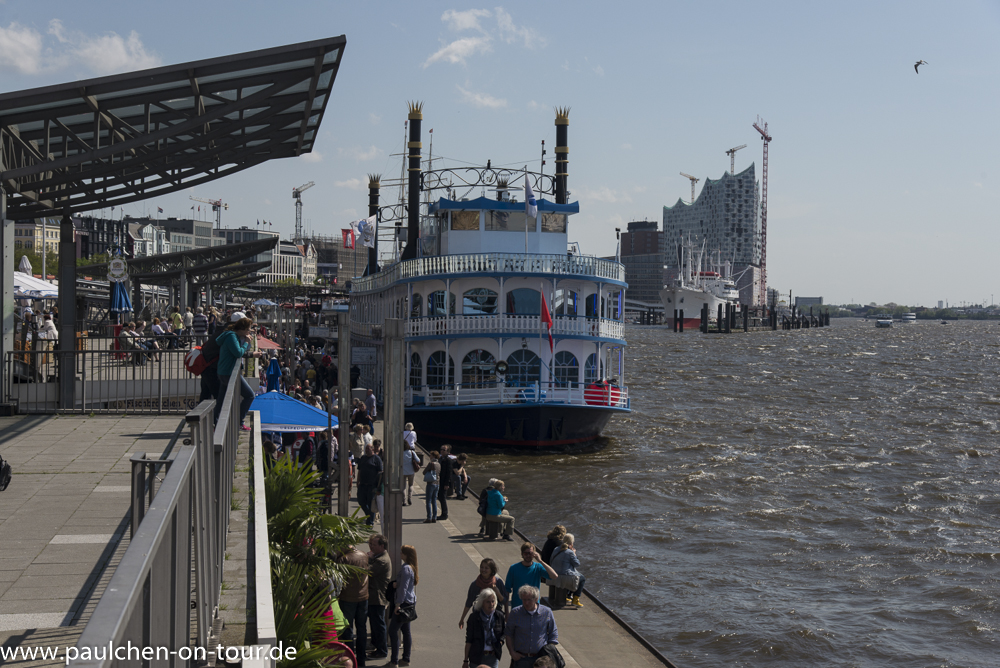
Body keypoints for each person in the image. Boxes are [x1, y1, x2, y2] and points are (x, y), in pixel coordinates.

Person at [214, 316, 262, 428]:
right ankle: (239, 421)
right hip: (229, 372)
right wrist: (246, 342)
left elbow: (239, 351)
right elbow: (239, 352)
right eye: (248, 329)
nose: (249, 332)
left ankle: (215, 422)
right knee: (250, 395)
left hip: (223, 371)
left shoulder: (232, 335)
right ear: (243, 329)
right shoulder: (231, 337)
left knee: (221, 400)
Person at [504, 585, 558, 668]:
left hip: (541, 660)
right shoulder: (515, 613)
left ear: (536, 599)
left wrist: (548, 654)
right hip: (521, 659)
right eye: (524, 600)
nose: (526, 603)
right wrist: (512, 652)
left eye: (529, 600)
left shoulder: (546, 612)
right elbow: (508, 634)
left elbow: (553, 633)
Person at [337, 545, 370, 667]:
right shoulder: (363, 555)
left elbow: (339, 580)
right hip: (363, 596)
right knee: (361, 628)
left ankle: (350, 659)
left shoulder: (343, 559)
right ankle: (361, 659)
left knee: (348, 629)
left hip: (348, 598)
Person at [388, 545, 418, 667]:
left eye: (402, 552)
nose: (400, 554)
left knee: (393, 631)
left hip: (403, 603)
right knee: (406, 631)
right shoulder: (412, 567)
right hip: (410, 602)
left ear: (406, 555)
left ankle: (394, 661)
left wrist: (398, 604)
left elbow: (403, 589)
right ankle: (405, 659)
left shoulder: (406, 568)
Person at [505, 544, 558, 609]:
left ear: (534, 554)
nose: (528, 555)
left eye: (530, 553)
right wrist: (506, 610)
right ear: (522, 554)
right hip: (518, 607)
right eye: (525, 553)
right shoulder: (513, 568)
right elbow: (507, 589)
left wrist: (540, 561)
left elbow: (554, 576)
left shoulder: (538, 567)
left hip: (534, 607)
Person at [459, 558, 509, 629]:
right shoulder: (475, 584)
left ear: (491, 570)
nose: (483, 570)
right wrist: (462, 619)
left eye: (486, 568)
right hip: (479, 616)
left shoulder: (498, 582)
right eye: (482, 567)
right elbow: (469, 602)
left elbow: (504, 600)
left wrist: (497, 592)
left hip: (495, 616)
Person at [464, 587, 505, 668]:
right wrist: (465, 660)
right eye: (488, 602)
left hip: (492, 658)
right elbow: (469, 640)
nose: (491, 604)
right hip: (477, 658)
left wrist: (499, 644)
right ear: (482, 602)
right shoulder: (474, 618)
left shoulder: (499, 616)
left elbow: (503, 633)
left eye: (493, 601)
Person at [366, 534, 392, 660]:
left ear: (382, 546)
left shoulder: (381, 560)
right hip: (374, 596)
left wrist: (368, 559)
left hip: (378, 597)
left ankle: (382, 651)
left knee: (378, 625)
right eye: (370, 544)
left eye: (374, 545)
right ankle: (376, 646)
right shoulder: (378, 557)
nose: (371, 547)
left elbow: (367, 571)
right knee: (375, 623)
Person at [549, 533, 586, 607]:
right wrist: (574, 554)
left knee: (570, 573)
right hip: (563, 577)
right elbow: (577, 564)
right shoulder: (570, 552)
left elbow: (551, 561)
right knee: (582, 578)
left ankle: (566, 595)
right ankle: (575, 599)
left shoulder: (556, 549)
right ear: (571, 543)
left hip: (553, 575)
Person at [356, 443, 382, 526]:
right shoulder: (363, 458)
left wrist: (379, 486)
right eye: (366, 448)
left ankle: (370, 522)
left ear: (372, 449)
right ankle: (369, 515)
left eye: (368, 448)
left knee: (370, 503)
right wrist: (358, 481)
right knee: (361, 501)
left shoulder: (377, 459)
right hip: (363, 484)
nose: (366, 450)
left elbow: (380, 473)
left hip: (372, 485)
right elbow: (359, 470)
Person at [401, 435, 420, 506]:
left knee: (403, 487)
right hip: (411, 471)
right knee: (411, 485)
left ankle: (404, 501)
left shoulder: (400, 453)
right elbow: (418, 460)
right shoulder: (412, 452)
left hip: (402, 472)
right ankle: (409, 498)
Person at [437, 445, 454, 521]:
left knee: (442, 497)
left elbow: (449, 473)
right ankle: (443, 513)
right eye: (441, 449)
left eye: (444, 450)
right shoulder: (440, 459)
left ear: (448, 452)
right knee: (439, 497)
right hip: (439, 481)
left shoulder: (448, 460)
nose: (441, 451)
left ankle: (444, 514)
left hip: (444, 482)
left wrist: (447, 484)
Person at [422, 450, 440, 523]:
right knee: (434, 501)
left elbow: (424, 472)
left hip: (431, 483)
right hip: (437, 483)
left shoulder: (431, 463)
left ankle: (429, 517)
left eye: (431, 455)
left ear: (433, 456)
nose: (429, 456)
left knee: (428, 501)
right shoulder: (438, 464)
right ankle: (434, 517)